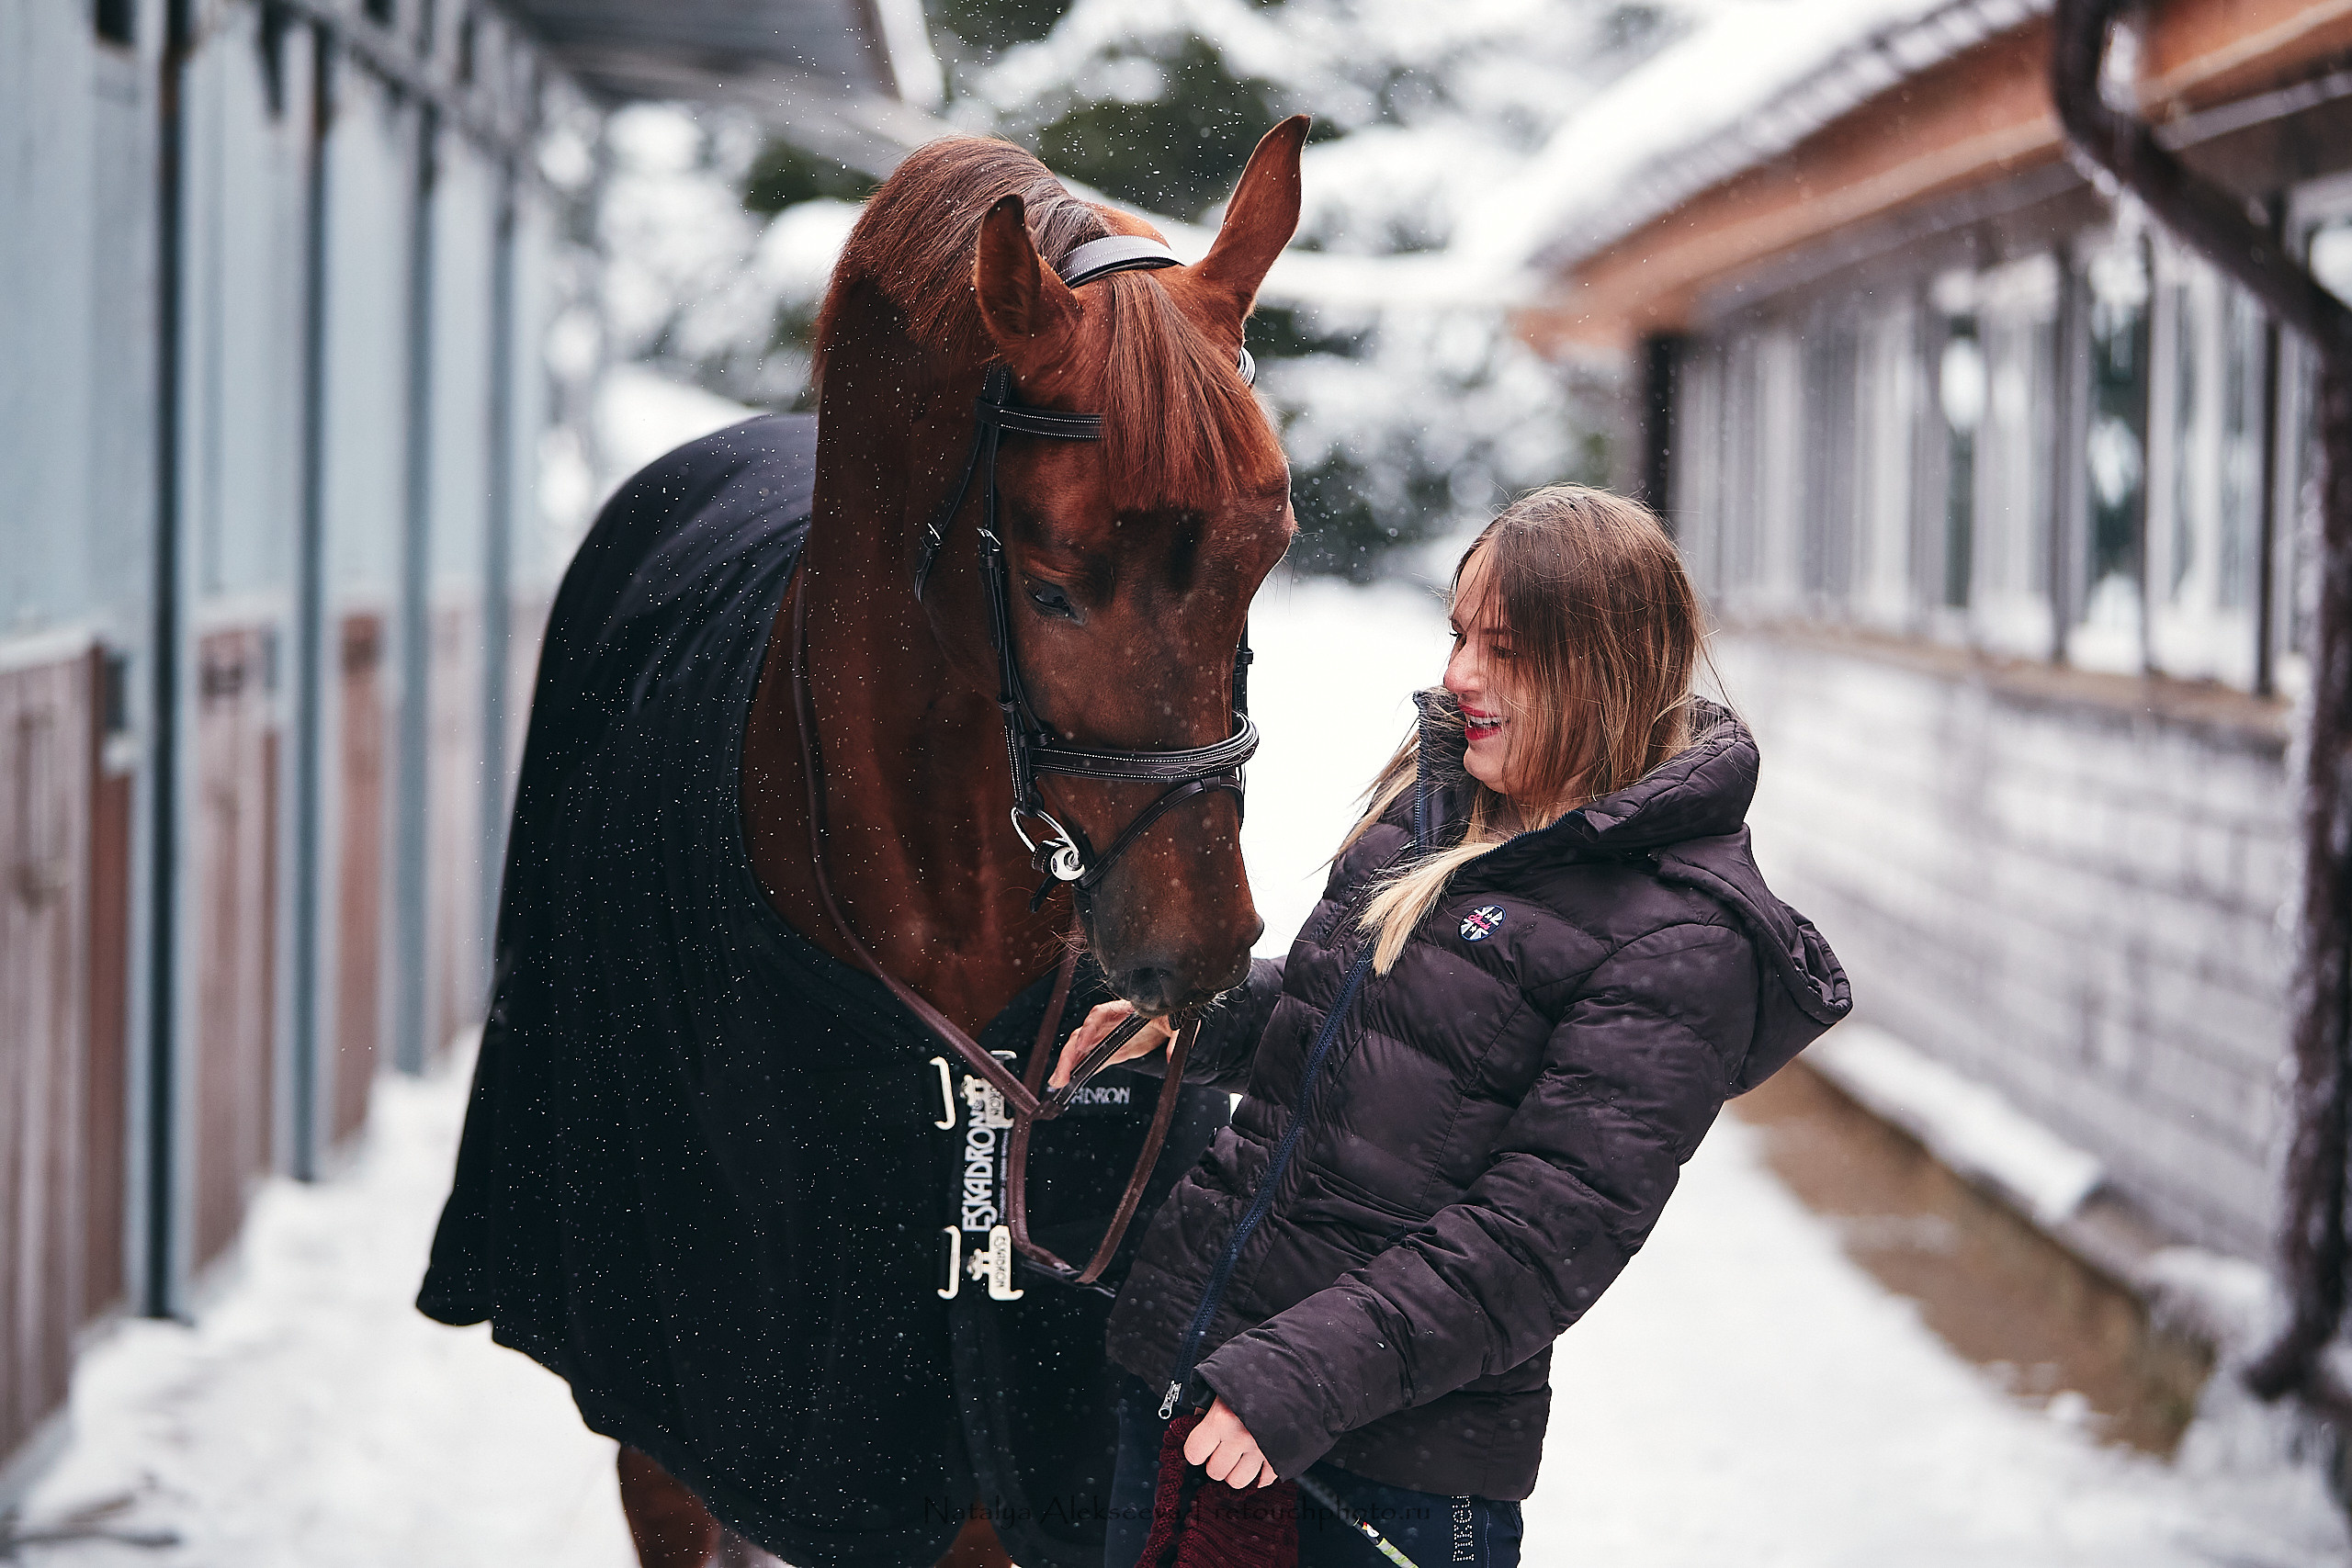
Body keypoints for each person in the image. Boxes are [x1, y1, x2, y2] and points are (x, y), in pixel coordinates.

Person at [1053, 484, 1851, 1567]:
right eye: (1458, 635)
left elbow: (1536, 1240)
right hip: (1198, 1387)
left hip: (1379, 1475)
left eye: (1505, 650)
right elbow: (1362, 1017)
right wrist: (1198, 1017)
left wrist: (1295, 1382)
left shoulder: (1677, 939)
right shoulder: (1440, 810)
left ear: (1602, 666)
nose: (1458, 677)